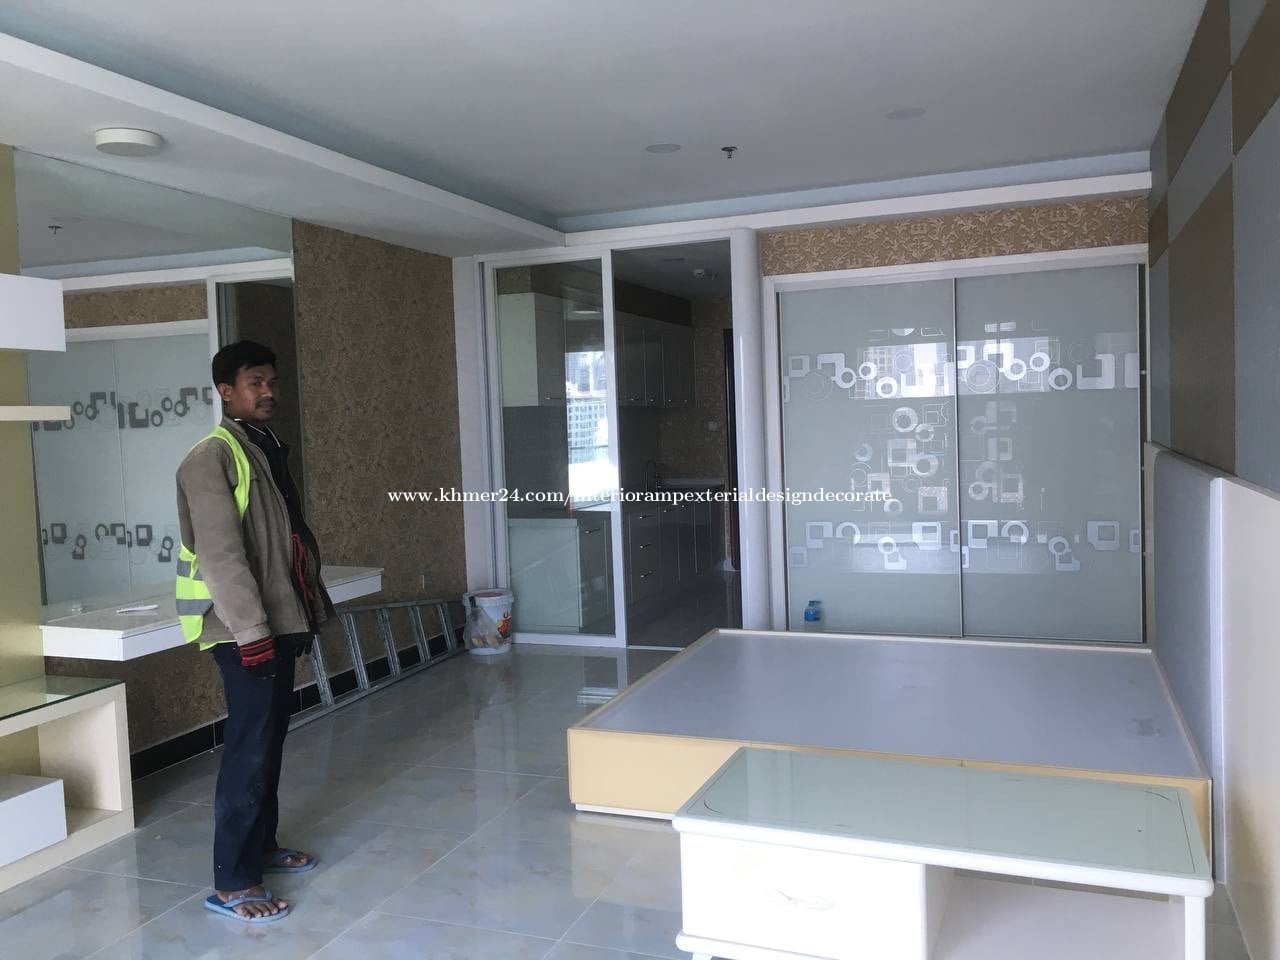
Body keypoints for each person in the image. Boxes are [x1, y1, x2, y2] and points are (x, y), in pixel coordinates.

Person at [175, 340, 334, 923]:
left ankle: (262, 847)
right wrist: (251, 631)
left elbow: (285, 544)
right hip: (243, 630)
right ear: (226, 391)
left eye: (272, 381)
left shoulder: (262, 448)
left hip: (275, 621)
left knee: (269, 743)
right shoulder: (211, 458)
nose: (268, 392)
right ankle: (235, 882)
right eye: (254, 383)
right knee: (249, 748)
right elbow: (221, 556)